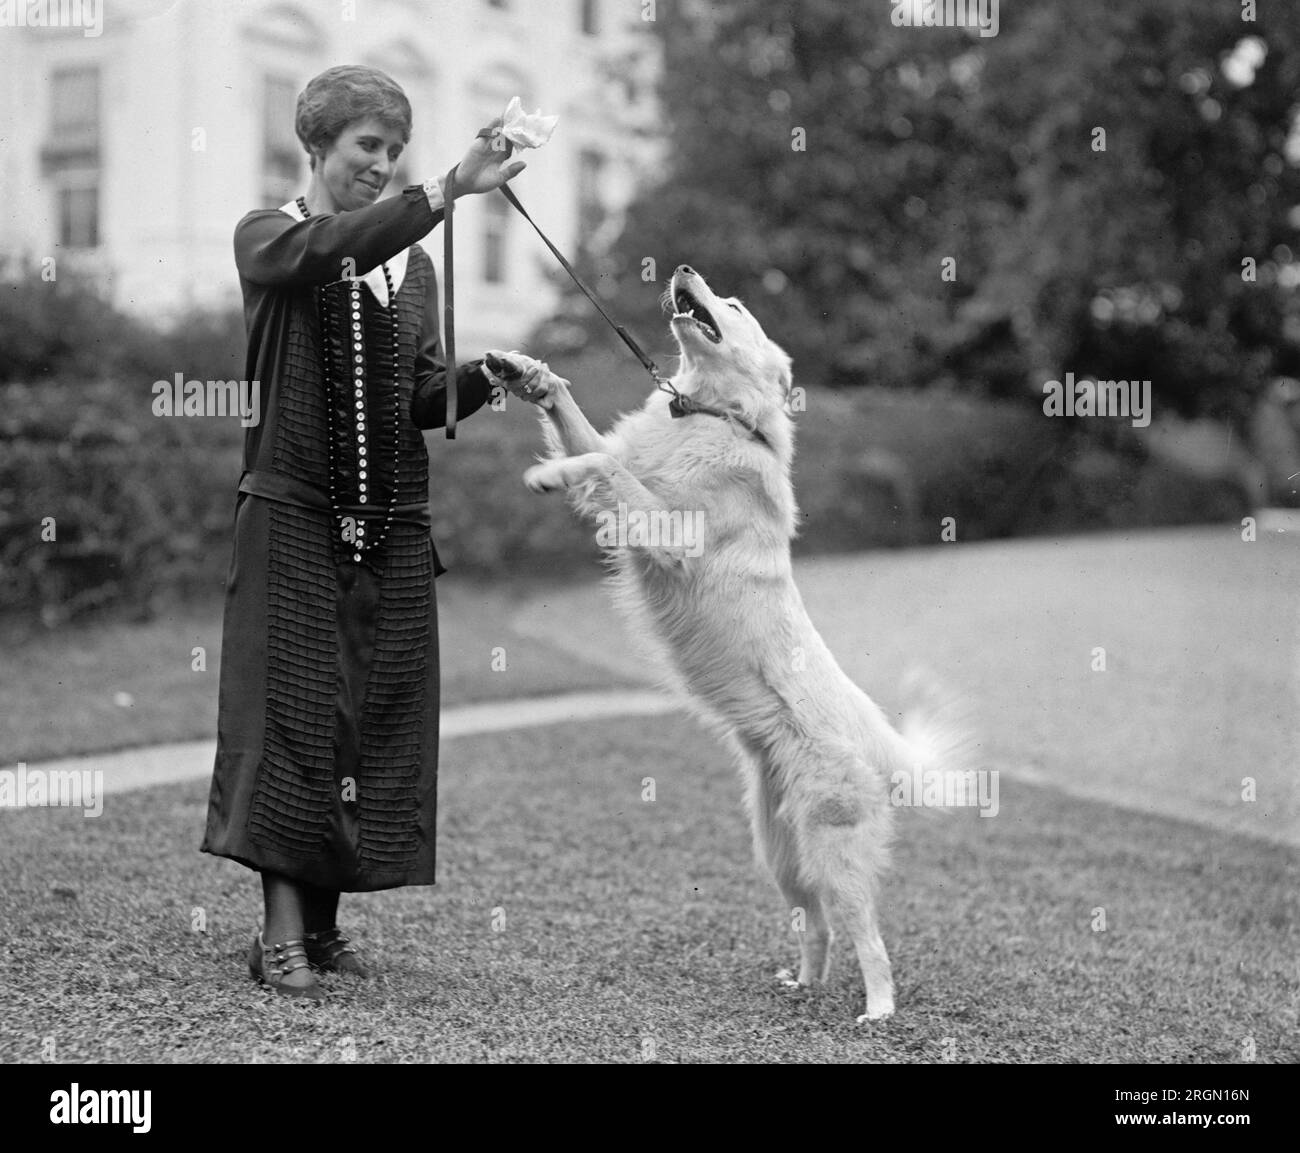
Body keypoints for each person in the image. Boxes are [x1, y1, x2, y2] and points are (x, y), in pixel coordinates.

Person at [200, 64, 543, 1000]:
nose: (381, 165)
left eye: (393, 151)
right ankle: (278, 936)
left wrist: (485, 378)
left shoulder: (414, 264)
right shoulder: (269, 237)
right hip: (292, 513)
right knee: (292, 717)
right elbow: (331, 251)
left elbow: (417, 398)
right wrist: (443, 191)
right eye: (366, 149)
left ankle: (324, 925)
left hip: (388, 524)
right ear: (316, 147)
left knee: (368, 723)